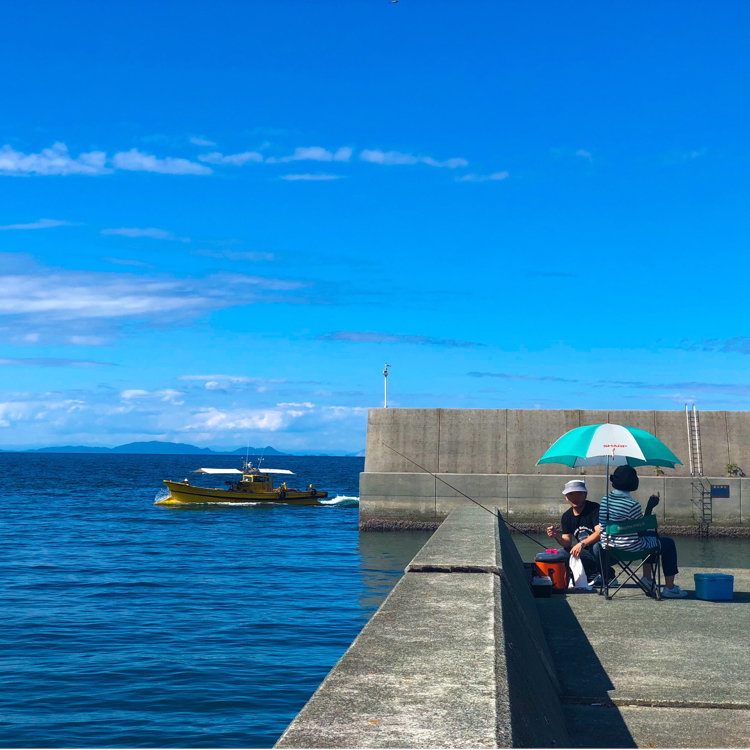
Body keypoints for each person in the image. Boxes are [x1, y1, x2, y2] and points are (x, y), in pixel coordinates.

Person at [599, 465, 688, 598]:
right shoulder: (632, 505)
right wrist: (650, 507)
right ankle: (670, 587)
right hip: (630, 548)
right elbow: (641, 531)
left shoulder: (605, 501)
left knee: (652, 537)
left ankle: (648, 578)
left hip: (609, 547)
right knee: (668, 543)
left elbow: (603, 526)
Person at [546, 479, 613, 585]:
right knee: (561, 553)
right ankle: (578, 576)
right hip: (585, 553)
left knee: (597, 547)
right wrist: (556, 536)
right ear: (566, 497)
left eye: (578, 494)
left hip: (605, 551)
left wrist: (582, 544)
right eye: (571, 494)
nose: (574, 498)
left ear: (585, 495)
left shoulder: (595, 508)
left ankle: (608, 576)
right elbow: (567, 542)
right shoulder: (566, 517)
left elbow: (600, 532)